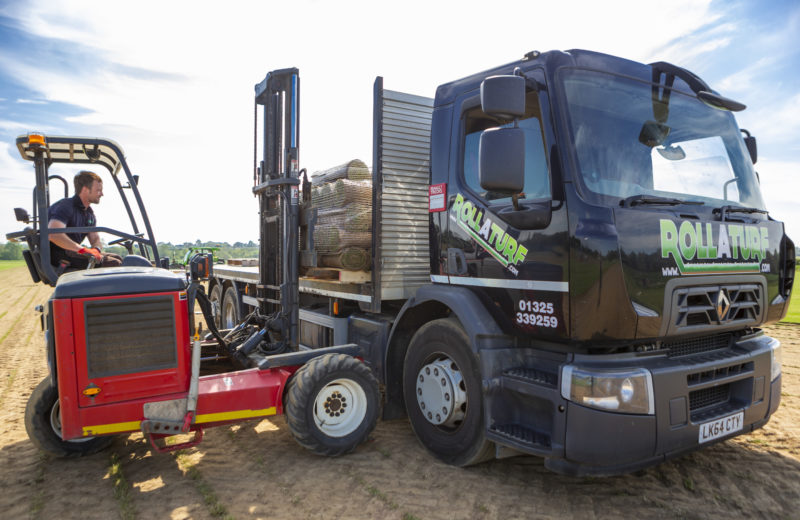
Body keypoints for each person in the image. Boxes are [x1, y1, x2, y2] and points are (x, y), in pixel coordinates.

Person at [48, 170, 123, 272]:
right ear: (85, 190)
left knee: (118, 258)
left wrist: (96, 250)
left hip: (75, 252)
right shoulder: (66, 206)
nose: (102, 194)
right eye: (98, 190)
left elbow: (95, 238)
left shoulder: (89, 213)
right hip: (60, 255)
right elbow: (54, 234)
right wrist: (83, 250)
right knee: (114, 263)